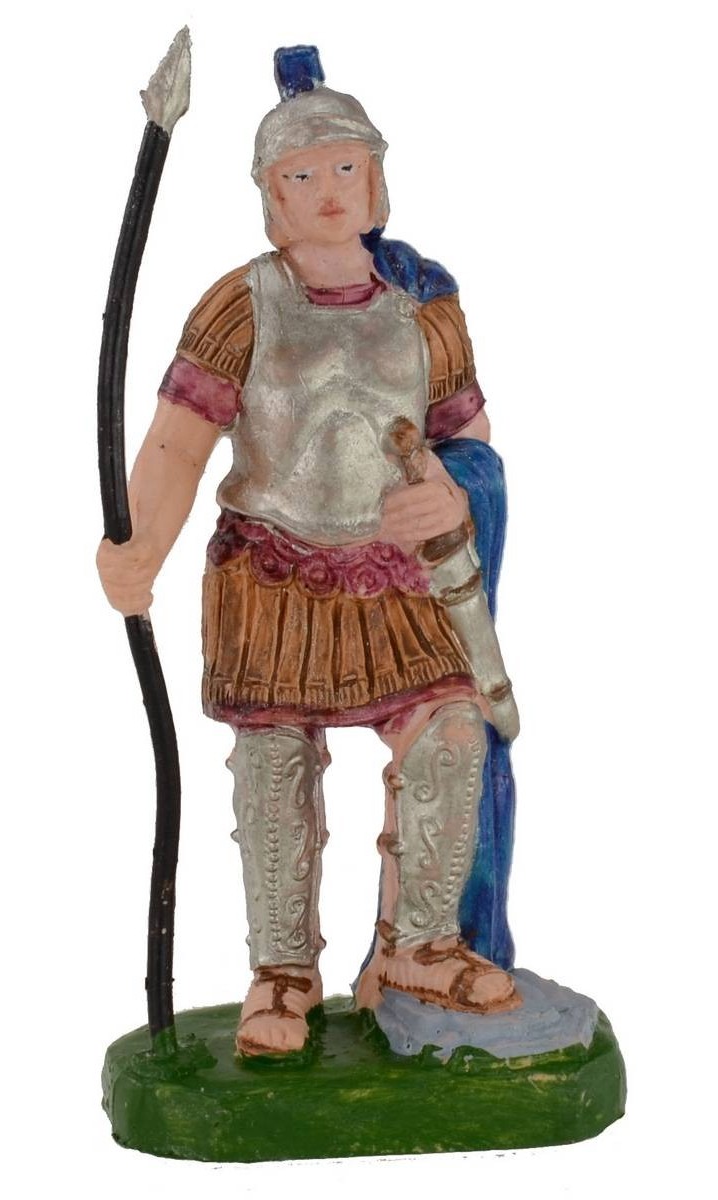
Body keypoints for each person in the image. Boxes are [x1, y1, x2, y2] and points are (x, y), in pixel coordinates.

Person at [97, 46, 519, 1056]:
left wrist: (452, 492)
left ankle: (419, 944)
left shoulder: (424, 307)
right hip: (274, 573)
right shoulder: (242, 304)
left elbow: (468, 439)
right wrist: (140, 544)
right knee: (274, 764)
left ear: (375, 179)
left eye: (344, 168)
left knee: (451, 734)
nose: (327, 190)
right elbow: (179, 441)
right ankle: (281, 975)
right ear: (271, 196)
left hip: (396, 579)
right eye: (301, 174)